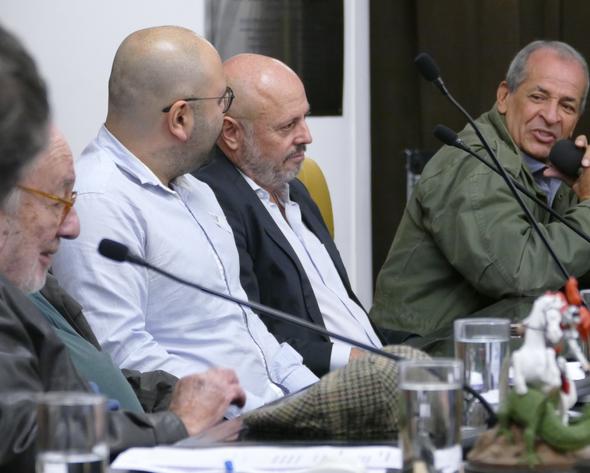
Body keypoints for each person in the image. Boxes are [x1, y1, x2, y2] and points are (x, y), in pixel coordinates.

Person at [0, 25, 245, 471]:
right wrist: (176, 424)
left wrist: (176, 396)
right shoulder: (99, 204)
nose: (74, 225)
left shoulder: (30, 281)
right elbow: (23, 436)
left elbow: (97, 371)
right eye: (56, 201)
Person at [52, 27, 318, 415]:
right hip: (214, 430)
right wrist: (257, 414)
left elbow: (245, 326)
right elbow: (123, 357)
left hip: (269, 413)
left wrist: (313, 396)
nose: (226, 114)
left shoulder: (195, 187)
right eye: (222, 100)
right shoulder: (100, 201)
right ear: (180, 117)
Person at [370, 40, 590, 336]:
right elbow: (517, 273)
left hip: (498, 343)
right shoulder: (474, 163)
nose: (551, 116)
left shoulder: (561, 170)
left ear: (576, 121)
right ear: (504, 97)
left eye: (567, 106)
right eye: (538, 97)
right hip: (422, 351)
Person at [194, 54, 416, 377]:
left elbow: (341, 312)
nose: (306, 136)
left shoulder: (295, 188)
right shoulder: (213, 201)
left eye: (304, 118)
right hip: (315, 383)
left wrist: (406, 350)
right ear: (231, 132)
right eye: (288, 125)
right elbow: (246, 337)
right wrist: (351, 358)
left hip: (374, 366)